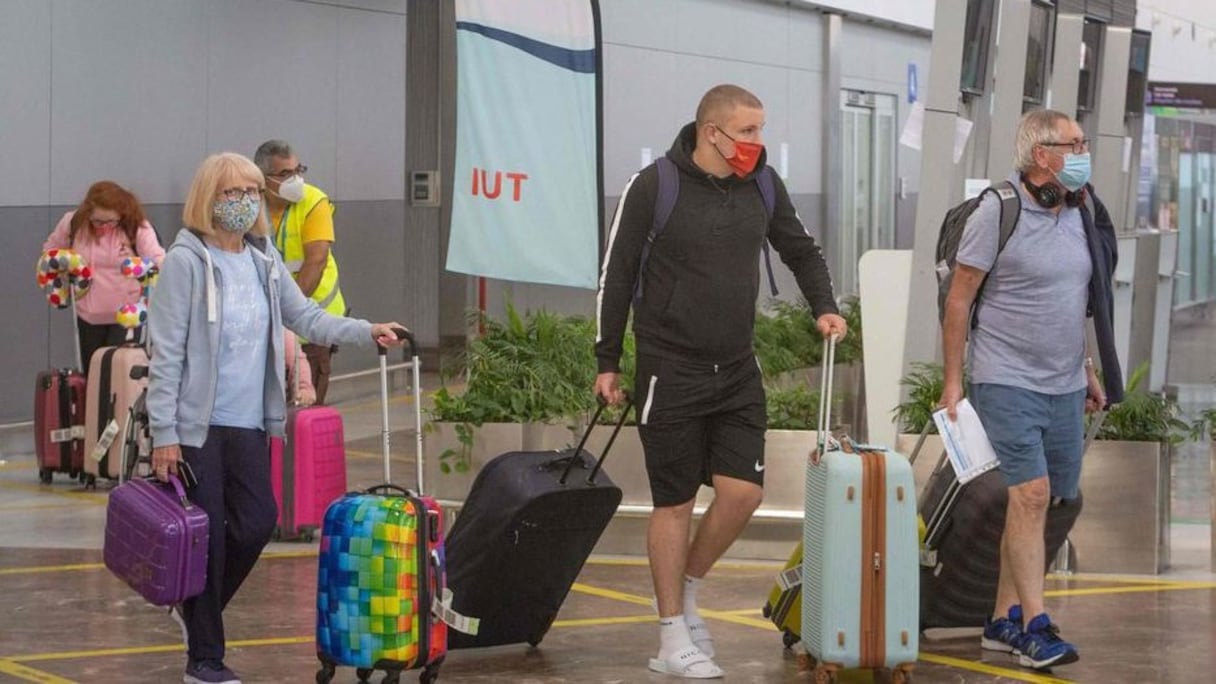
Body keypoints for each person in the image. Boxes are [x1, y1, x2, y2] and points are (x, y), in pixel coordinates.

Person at [594, 84, 847, 679]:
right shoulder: (654, 186)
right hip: (669, 368)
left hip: (736, 367)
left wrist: (824, 306)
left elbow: (800, 249)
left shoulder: (762, 183)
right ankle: (668, 637)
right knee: (674, 503)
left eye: (762, 130)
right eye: (749, 132)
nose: (758, 143)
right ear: (712, 132)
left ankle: (684, 591)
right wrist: (607, 361)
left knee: (743, 494)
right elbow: (615, 273)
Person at [146, 152, 407, 684]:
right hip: (197, 428)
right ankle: (205, 659)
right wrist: (164, 434)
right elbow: (166, 352)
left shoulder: (263, 261)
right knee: (210, 539)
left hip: (249, 423)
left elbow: (305, 316)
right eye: (230, 193)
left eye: (249, 192)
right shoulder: (186, 262)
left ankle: (198, 610)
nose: (242, 202)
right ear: (207, 199)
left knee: (257, 521)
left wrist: (366, 329)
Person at [938, 109, 1122, 671]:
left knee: (1051, 499)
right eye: (1074, 143)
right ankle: (1034, 626)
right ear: (1041, 155)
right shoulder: (998, 212)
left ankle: (1001, 619)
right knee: (1031, 495)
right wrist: (952, 383)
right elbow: (959, 299)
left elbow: (1076, 301)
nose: (1083, 151)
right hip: (1004, 377)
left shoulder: (1083, 209)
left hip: (1064, 383)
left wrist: (1087, 368)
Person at [254, 139, 345, 404]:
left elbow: (315, 261)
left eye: (298, 170)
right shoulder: (252, 204)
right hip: (266, 326)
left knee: (305, 407)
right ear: (263, 178)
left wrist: (285, 314)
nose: (296, 179)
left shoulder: (314, 201)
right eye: (285, 174)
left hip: (312, 325)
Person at [42, 181, 164, 372]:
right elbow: (50, 252)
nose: (104, 227)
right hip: (88, 314)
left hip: (126, 315)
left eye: (111, 222)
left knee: (119, 373)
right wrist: (64, 274)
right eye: (98, 222)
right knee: (91, 372)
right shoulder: (73, 222)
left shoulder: (136, 226)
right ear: (88, 212)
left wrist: (150, 267)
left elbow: (157, 258)